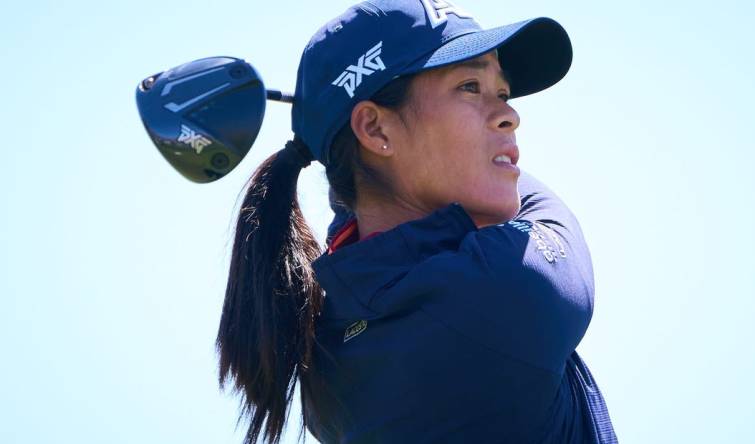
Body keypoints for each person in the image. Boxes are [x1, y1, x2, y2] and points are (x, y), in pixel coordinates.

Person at [216, 0, 618, 443]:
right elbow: (530, 200)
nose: (510, 114)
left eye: (501, 93)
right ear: (376, 130)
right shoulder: (509, 286)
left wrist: (352, 150)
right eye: (469, 86)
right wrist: (491, 163)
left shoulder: (327, 334)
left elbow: (366, 220)